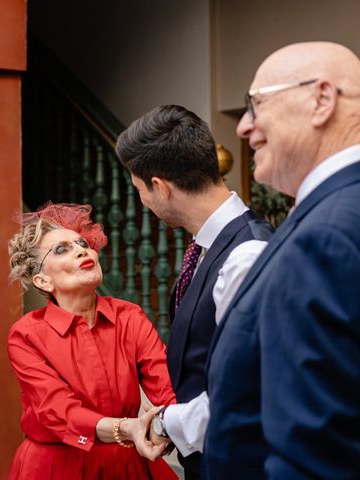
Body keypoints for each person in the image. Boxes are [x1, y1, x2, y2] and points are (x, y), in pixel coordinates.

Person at [203, 42, 360, 479]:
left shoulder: (327, 238)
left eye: (256, 105)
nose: (243, 127)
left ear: (321, 100)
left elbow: (310, 458)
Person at [115, 105, 274, 479]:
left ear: (160, 187)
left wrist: (167, 423)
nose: (144, 202)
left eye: (140, 190)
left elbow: (250, 390)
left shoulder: (247, 255)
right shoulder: (207, 247)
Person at [7, 202, 177, 479]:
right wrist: (129, 429)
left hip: (129, 464)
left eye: (81, 243)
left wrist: (168, 423)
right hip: (57, 468)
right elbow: (58, 410)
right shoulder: (26, 335)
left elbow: (166, 385)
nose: (81, 250)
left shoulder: (129, 316)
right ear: (43, 281)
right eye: (62, 249)